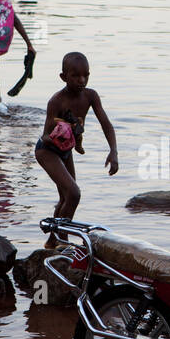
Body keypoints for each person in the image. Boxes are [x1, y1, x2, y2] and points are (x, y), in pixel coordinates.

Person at [36, 52, 118, 243]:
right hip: (47, 151)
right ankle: (62, 239)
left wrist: (113, 151)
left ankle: (52, 242)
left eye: (86, 75)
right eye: (75, 76)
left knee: (66, 197)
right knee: (74, 193)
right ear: (63, 77)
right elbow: (45, 136)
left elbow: (106, 124)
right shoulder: (56, 101)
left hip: (65, 151)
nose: (82, 80)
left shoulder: (90, 96)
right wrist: (63, 130)